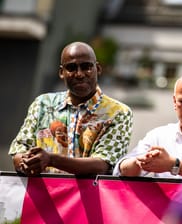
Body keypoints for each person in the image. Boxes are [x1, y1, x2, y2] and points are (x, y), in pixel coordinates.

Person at [8, 41, 133, 176]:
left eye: (86, 67)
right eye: (71, 68)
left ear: (98, 69)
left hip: (89, 196)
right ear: (62, 73)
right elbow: (19, 150)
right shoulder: (42, 104)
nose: (79, 74)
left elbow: (103, 164)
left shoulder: (118, 112)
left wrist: (51, 160)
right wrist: (27, 163)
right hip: (42, 195)